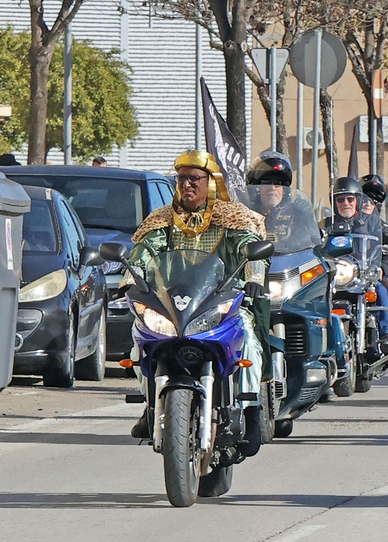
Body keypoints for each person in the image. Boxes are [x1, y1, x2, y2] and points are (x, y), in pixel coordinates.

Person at [127, 151, 269, 439]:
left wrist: (254, 277)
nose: (186, 185)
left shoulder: (234, 218)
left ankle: (250, 407)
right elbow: (144, 252)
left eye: (194, 178)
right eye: (181, 179)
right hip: (172, 305)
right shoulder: (162, 220)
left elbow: (250, 247)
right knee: (139, 339)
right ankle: (150, 402)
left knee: (249, 343)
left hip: (221, 303)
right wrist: (130, 278)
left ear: (212, 182)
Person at [326, 177, 388, 350]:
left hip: (363, 274)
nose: (345, 203)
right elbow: (312, 242)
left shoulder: (372, 221)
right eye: (340, 199)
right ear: (334, 202)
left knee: (379, 288)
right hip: (337, 275)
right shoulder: (327, 224)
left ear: (357, 200)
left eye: (350, 199)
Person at [244, 150, 320, 251]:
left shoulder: (297, 213)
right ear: (257, 189)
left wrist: (306, 218)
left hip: (290, 263)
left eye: (278, 183)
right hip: (254, 264)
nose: (272, 188)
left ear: (284, 190)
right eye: (266, 183)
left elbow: (309, 245)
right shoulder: (246, 214)